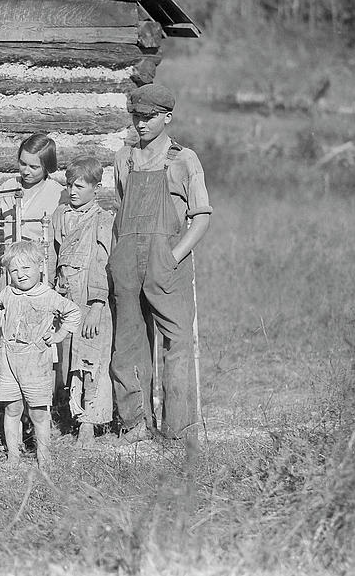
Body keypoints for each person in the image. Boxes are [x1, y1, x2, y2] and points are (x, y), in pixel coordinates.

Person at [109, 83, 212, 443]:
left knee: (178, 342)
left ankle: (179, 429)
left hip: (166, 260)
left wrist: (173, 255)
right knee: (129, 342)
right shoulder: (123, 158)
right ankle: (135, 423)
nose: (140, 124)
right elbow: (122, 209)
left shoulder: (184, 159)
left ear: (166, 117)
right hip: (126, 261)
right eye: (136, 116)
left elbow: (201, 218)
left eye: (148, 117)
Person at [0, 241, 81, 469]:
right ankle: (13, 455)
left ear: (40, 267)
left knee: (38, 412)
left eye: (26, 269)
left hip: (36, 361)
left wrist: (59, 335)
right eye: (14, 270)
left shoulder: (48, 296)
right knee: (12, 409)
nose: (20, 275)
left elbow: (73, 313)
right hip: (9, 359)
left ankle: (44, 456)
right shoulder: (8, 293)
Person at [47, 156, 114, 447]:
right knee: (69, 359)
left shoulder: (102, 219)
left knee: (92, 357)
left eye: (80, 186)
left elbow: (103, 262)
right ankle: (72, 416)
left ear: (95, 188)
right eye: (69, 185)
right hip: (67, 297)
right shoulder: (60, 215)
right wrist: (52, 288)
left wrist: (98, 304)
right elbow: (51, 254)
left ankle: (91, 422)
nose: (72, 191)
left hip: (90, 295)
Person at [0, 133, 64, 243]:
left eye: (34, 167)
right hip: (11, 258)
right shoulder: (8, 187)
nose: (26, 171)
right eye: (23, 164)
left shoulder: (58, 194)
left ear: (47, 166)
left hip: (42, 258)